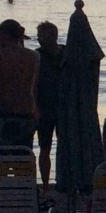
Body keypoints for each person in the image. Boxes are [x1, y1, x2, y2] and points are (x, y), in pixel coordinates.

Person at [0, 19, 39, 148]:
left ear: (3, 35)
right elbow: (35, 87)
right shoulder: (34, 57)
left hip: (1, 114)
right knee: (23, 155)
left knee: (0, 156)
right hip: (26, 113)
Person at [35, 21, 64, 196]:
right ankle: (46, 186)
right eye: (39, 36)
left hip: (63, 108)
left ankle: (63, 181)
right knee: (44, 148)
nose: (40, 40)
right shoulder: (36, 56)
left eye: (43, 36)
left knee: (65, 147)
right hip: (44, 109)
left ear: (53, 36)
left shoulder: (66, 53)